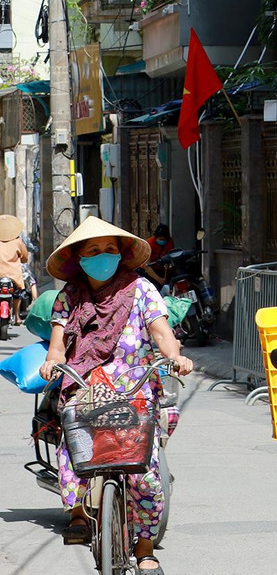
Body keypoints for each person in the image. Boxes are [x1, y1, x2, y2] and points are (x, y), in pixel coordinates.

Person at [37, 217, 193, 574]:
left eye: (110, 249)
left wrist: (175, 357)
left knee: (144, 476)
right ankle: (78, 514)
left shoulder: (141, 289)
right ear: (80, 258)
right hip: (84, 388)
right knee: (73, 452)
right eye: (94, 251)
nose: (103, 256)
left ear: (121, 255)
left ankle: (145, 547)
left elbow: (161, 332)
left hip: (134, 390)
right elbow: (58, 346)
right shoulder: (68, 297)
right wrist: (52, 364)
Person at [0, 214, 37, 314]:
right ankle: (17, 316)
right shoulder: (18, 241)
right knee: (17, 293)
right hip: (13, 274)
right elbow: (24, 258)